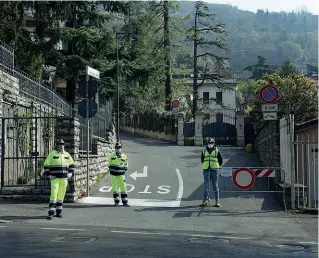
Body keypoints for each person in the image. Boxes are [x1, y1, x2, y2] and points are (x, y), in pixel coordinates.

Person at [42, 138, 75, 220]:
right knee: (54, 195)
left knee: (61, 195)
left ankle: (59, 212)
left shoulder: (67, 155)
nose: (61, 146)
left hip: (64, 179)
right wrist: (49, 175)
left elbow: (72, 165)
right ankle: (51, 213)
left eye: (62, 145)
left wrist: (70, 173)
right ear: (57, 146)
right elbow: (46, 165)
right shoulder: (52, 154)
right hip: (55, 179)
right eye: (60, 145)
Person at [200, 137, 223, 207]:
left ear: (214, 143)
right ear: (207, 144)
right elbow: (202, 160)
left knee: (215, 185)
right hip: (206, 170)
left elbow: (221, 160)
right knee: (206, 186)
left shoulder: (217, 151)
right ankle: (205, 200)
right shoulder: (204, 151)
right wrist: (206, 165)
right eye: (209, 143)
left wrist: (216, 166)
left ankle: (217, 201)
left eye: (211, 143)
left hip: (214, 170)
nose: (210, 144)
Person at [108, 141, 129, 207]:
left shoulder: (124, 156)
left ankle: (125, 202)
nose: (118, 148)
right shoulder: (111, 155)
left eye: (119, 147)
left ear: (121, 147)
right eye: (117, 147)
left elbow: (126, 165)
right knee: (115, 188)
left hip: (121, 175)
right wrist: (113, 170)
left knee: (123, 188)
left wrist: (122, 171)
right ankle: (116, 202)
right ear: (115, 148)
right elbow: (109, 164)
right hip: (114, 175)